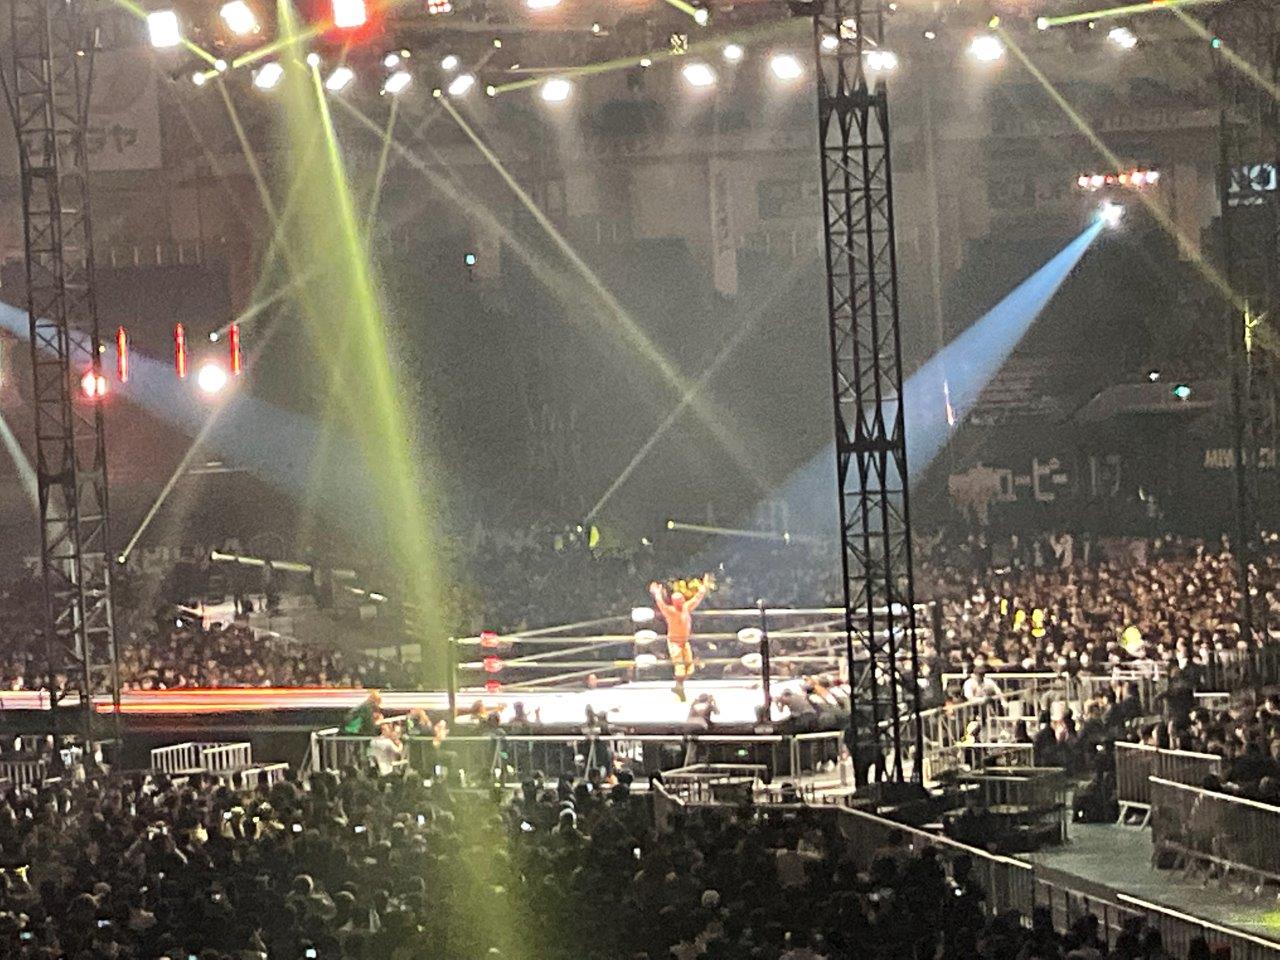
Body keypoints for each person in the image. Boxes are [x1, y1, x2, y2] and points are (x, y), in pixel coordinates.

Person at [649, 577, 711, 702]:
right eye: (678, 601)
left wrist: (703, 587)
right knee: (680, 668)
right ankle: (679, 688)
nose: (680, 602)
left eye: (681, 600)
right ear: (674, 602)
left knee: (690, 668)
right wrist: (657, 593)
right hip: (674, 642)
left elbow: (697, 598)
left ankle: (678, 686)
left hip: (684, 641)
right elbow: (661, 604)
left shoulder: (686, 607)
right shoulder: (670, 611)